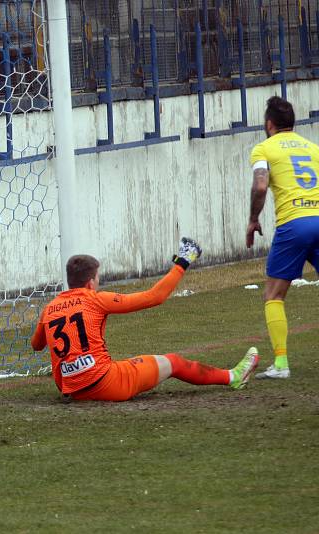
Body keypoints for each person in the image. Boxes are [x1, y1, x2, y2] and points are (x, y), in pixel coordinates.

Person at [30, 239, 260, 402]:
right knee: (173, 363)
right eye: (98, 278)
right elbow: (155, 297)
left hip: (70, 388)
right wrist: (183, 262)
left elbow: (36, 345)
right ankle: (233, 377)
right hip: (104, 383)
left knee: (116, 364)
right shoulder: (96, 299)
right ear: (91, 282)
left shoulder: (49, 309)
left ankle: (232, 376)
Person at [246, 96, 319, 380]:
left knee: (274, 295)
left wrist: (253, 219)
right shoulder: (312, 148)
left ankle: (281, 364)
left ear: (269, 124)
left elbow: (261, 186)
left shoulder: (264, 148)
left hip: (294, 223)